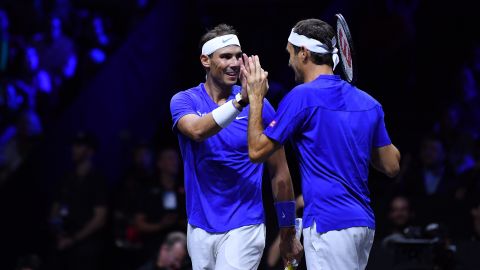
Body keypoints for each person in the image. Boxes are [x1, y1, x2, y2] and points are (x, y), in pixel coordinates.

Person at [242, 18, 401, 270]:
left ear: (303, 53)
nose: (289, 61)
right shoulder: (369, 104)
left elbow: (256, 150)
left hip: (329, 224)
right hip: (363, 225)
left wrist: (255, 97)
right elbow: (391, 165)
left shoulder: (301, 97)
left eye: (290, 53)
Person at [170, 24, 302, 270]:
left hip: (245, 225)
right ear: (205, 60)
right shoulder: (184, 100)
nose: (234, 63)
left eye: (238, 56)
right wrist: (243, 99)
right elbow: (197, 130)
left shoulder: (260, 108)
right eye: (225, 56)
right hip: (198, 227)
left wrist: (288, 232)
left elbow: (280, 173)